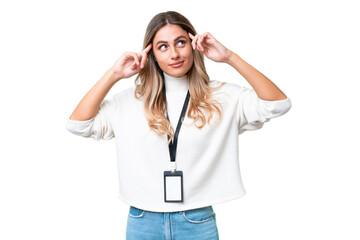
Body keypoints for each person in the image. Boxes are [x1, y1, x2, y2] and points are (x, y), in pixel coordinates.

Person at [66, 10, 291, 240]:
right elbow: (78, 124)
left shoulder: (222, 96)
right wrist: (113, 74)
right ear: (151, 54)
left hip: (196, 221)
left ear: (194, 44)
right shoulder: (128, 101)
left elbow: (278, 104)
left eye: (181, 42)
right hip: (143, 221)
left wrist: (229, 57)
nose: (174, 54)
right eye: (163, 46)